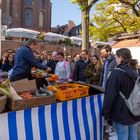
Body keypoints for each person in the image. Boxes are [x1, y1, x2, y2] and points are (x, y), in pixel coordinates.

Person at [103, 48, 140, 140]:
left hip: (120, 112)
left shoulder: (116, 73)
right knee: (133, 135)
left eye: (116, 56)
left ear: (120, 58)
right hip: (134, 109)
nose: (115, 58)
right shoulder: (134, 71)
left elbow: (110, 96)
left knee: (123, 136)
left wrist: (106, 113)